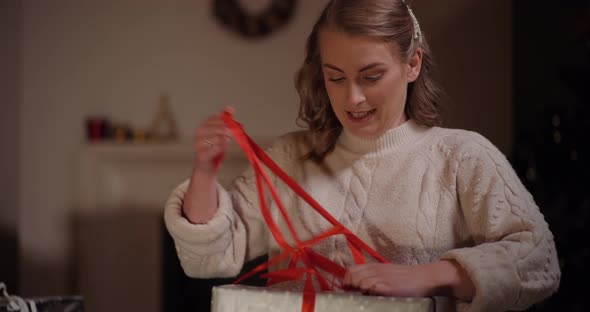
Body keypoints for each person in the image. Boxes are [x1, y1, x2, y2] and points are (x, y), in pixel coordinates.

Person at [164, 0, 561, 311]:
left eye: (371, 76)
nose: (352, 98)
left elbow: (538, 261)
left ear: (412, 64)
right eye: (335, 77)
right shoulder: (291, 156)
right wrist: (204, 172)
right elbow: (209, 257)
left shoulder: (461, 156)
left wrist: (425, 276)